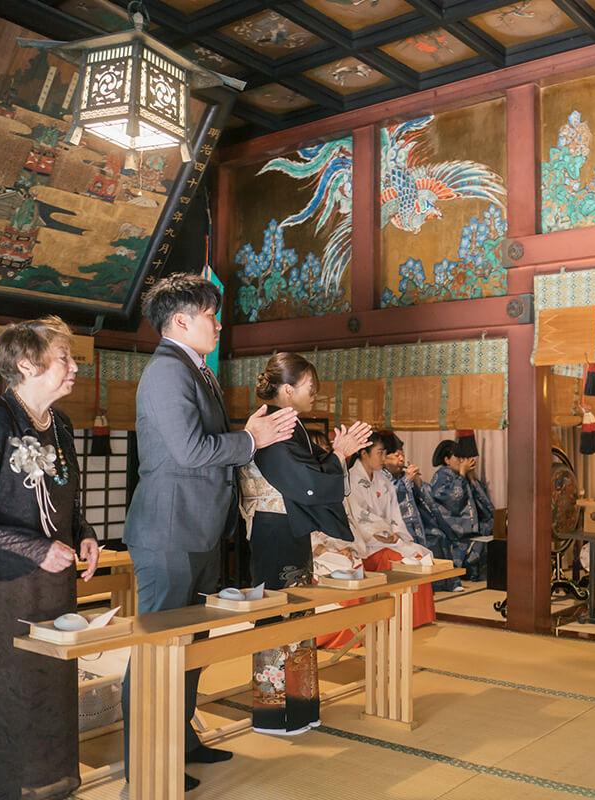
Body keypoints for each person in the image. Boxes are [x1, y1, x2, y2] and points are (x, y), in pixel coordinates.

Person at [122, 274, 297, 791]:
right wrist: (250, 437)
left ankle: (181, 739)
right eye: (210, 314)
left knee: (192, 643)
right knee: (158, 649)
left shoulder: (194, 369)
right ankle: (145, 761)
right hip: (169, 530)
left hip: (198, 527)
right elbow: (191, 451)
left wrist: (250, 438)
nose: (218, 324)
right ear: (181, 321)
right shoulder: (166, 373)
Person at [0, 316, 100, 799]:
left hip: (52, 580)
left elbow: (68, 495)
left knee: (47, 684)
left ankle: (43, 784)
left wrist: (85, 533)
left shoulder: (61, 422)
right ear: (27, 364)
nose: (74, 367)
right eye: (65, 358)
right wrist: (35, 547)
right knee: (2, 688)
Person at [238, 353, 371, 735]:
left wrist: (335, 454)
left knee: (297, 615)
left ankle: (298, 707)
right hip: (274, 531)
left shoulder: (289, 426)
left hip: (287, 530)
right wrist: (341, 454)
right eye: (311, 389)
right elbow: (306, 484)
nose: (316, 395)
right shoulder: (273, 427)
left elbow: (309, 474)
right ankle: (275, 713)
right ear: (287, 390)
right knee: (279, 615)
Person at [379, 431, 462, 592]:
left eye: (402, 455)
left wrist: (417, 483)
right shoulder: (382, 476)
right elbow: (386, 498)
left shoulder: (402, 475)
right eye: (396, 455)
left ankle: (446, 583)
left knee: (439, 536)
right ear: (384, 458)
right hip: (396, 528)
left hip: (415, 524)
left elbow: (428, 498)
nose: (401, 459)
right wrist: (405, 482)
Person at [344, 437, 435, 566]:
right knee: (397, 560)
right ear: (364, 453)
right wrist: (382, 535)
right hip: (367, 543)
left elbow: (393, 512)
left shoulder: (383, 479)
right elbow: (357, 517)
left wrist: (395, 532)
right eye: (379, 453)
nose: (383, 458)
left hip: (388, 539)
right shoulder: (351, 480)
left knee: (421, 557)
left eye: (385, 453)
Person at [429, 439, 495, 582]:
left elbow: (487, 507)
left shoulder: (460, 476)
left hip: (471, 526)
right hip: (453, 528)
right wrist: (462, 475)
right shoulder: (441, 476)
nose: (462, 461)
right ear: (446, 460)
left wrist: (471, 479)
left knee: (496, 524)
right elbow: (453, 502)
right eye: (458, 458)